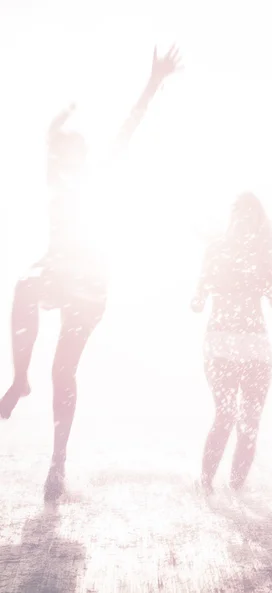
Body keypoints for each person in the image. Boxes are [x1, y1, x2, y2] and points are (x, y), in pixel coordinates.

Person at [0, 45, 182, 502]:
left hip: (90, 282)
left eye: (74, 153)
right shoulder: (54, 178)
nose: (67, 160)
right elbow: (48, 144)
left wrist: (153, 83)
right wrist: (57, 126)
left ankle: (57, 464)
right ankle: (21, 378)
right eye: (63, 154)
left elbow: (126, 130)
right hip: (56, 270)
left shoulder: (98, 174)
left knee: (64, 370)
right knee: (24, 284)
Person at [191, 192, 272, 494]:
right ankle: (205, 487)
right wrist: (197, 299)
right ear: (233, 217)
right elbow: (199, 293)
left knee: (250, 422)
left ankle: (236, 493)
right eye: (239, 212)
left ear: (257, 221)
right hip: (220, 342)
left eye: (250, 214)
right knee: (226, 414)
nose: (244, 219)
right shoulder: (215, 250)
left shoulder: (263, 257)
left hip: (255, 345)